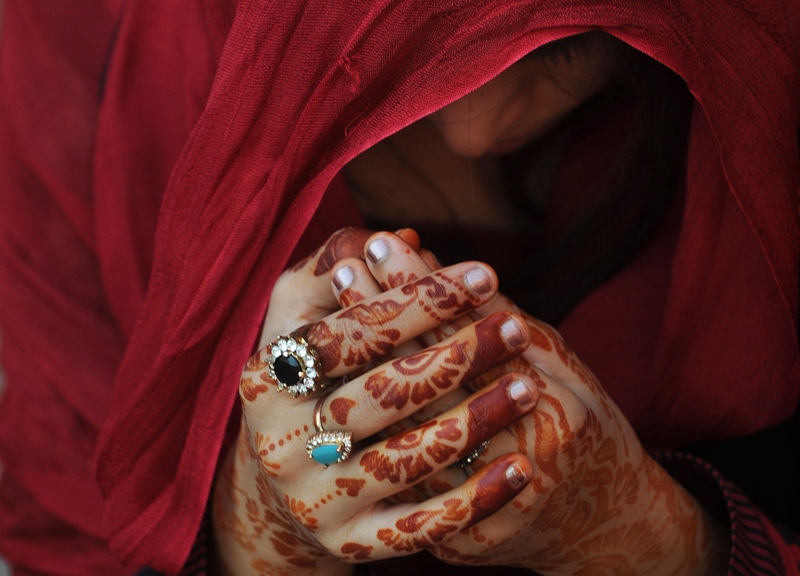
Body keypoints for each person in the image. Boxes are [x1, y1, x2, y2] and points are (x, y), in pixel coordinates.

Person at [0, 1, 797, 575]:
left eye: (559, 51)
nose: (473, 132)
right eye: (392, 64)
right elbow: (67, 530)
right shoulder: (85, 75)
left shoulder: (760, 109)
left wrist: (639, 533)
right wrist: (266, 531)